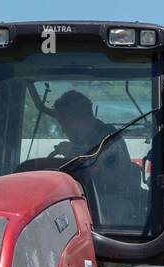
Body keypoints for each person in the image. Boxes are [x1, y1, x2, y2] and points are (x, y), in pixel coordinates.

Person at [49, 90, 145, 229]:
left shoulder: (108, 138)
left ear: (75, 118)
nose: (63, 130)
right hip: (88, 199)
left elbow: (105, 173)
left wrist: (73, 152)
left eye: (63, 122)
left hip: (114, 202)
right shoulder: (84, 141)